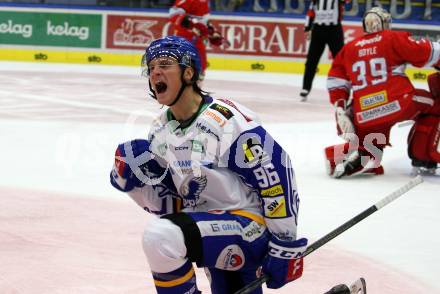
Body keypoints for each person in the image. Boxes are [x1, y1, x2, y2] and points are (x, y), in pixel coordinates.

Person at [109, 35, 308, 294]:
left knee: (160, 236)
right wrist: (133, 185)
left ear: (189, 73)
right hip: (209, 227)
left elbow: (275, 174)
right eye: (151, 67)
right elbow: (171, 204)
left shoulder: (224, 119)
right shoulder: (159, 130)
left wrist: (284, 242)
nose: (155, 71)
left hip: (249, 226)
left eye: (165, 64)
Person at [324, 7, 440, 178]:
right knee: (435, 106)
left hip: (366, 113)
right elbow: (425, 52)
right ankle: (423, 157)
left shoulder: (349, 48)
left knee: (371, 153)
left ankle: (335, 157)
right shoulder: (391, 38)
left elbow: (336, 82)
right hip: (400, 102)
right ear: (385, 23)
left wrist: (340, 107)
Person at [300, 0, 348, 102]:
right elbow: (311, 11)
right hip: (318, 30)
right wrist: (307, 28)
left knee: (341, 61)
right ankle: (305, 88)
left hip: (334, 30)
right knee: (311, 61)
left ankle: (346, 88)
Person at [169, 0, 225, 79]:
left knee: (201, 64)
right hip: (183, 35)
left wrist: (212, 32)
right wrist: (191, 23)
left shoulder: (204, 1)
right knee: (180, 64)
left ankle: (197, 80)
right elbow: (173, 15)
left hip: (197, 37)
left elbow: (205, 20)